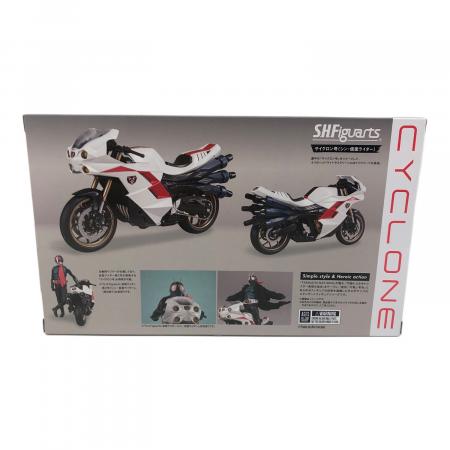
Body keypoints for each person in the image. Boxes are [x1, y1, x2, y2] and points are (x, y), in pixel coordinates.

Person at [226, 273, 290, 324]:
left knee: (256, 321)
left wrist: (279, 296)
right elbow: (238, 294)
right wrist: (230, 298)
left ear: (255, 280)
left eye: (252, 278)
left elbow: (269, 293)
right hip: (244, 305)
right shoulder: (246, 288)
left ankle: (259, 323)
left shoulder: (259, 288)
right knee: (239, 317)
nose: (251, 280)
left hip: (253, 306)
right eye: (250, 279)